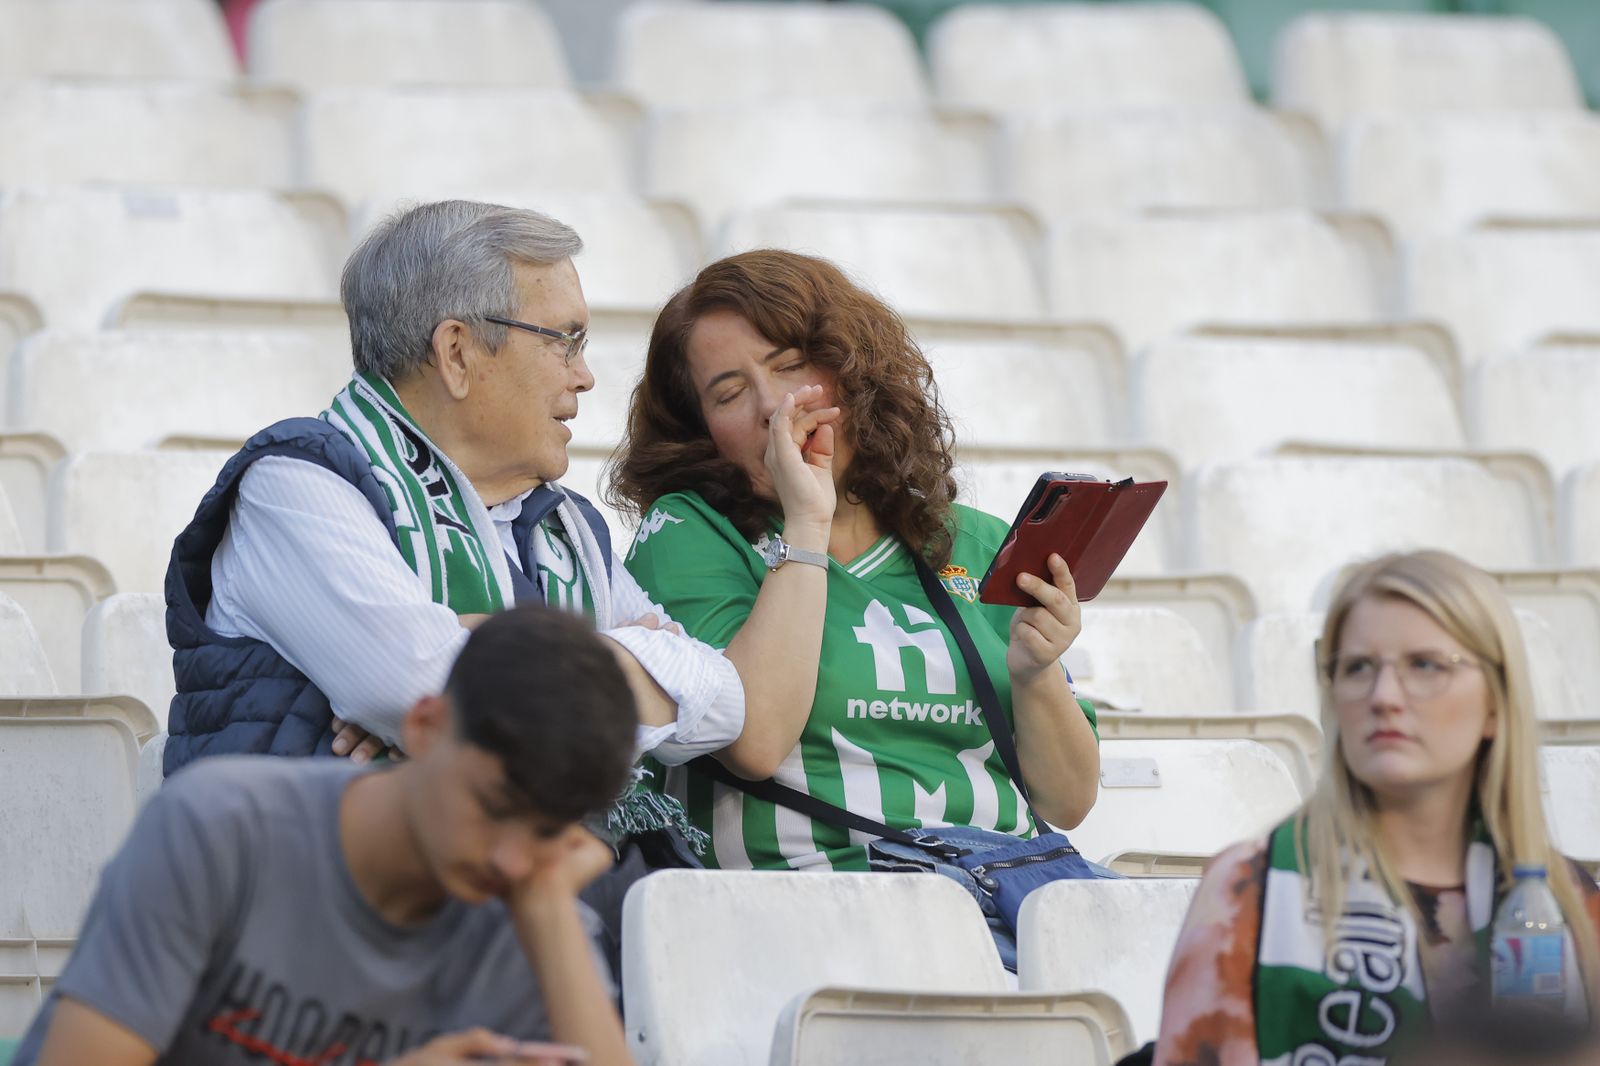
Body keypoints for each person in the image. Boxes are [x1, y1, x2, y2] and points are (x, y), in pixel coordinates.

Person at [162, 200, 741, 852]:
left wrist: (488, 647)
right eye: (564, 339)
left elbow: (720, 701)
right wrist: (626, 658)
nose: (585, 375)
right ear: (458, 352)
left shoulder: (563, 528)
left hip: (524, 895)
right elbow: (422, 690)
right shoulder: (294, 487)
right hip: (342, 913)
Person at [609, 248, 1102, 879]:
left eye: (790, 366)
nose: (770, 406)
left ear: (853, 374)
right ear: (702, 431)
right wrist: (806, 525)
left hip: (1001, 898)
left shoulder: (974, 543)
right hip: (813, 909)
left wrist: (1036, 672)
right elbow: (753, 742)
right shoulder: (687, 531)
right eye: (729, 393)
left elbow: (1068, 800)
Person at [16, 605, 637, 1066]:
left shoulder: (536, 913)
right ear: (423, 727)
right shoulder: (219, 829)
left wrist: (551, 914)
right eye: (492, 806)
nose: (509, 858)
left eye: (546, 831)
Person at [1151, 550, 1600, 1066]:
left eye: (1425, 665)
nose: (1384, 696)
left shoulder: (1569, 906)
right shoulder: (1249, 891)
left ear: (1496, 704)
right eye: (1359, 667)